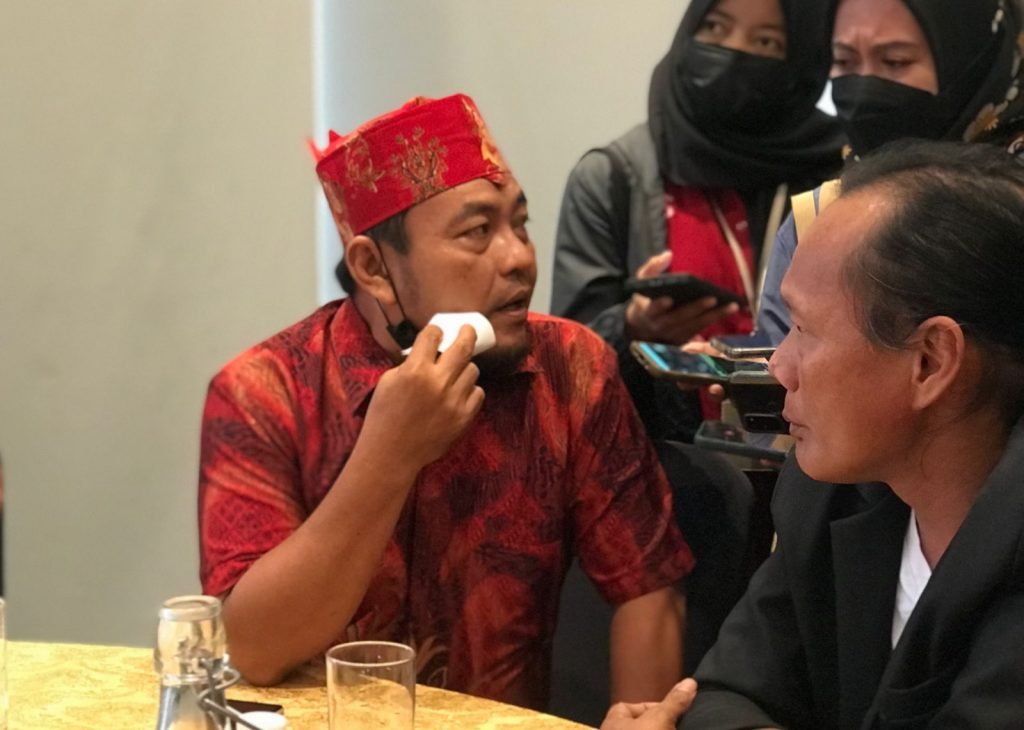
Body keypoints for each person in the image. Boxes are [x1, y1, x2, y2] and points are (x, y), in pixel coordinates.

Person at [197, 94, 695, 710]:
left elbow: (648, 585)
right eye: (478, 232)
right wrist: (389, 454)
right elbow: (254, 649)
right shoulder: (263, 393)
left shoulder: (571, 368)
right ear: (373, 269)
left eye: (520, 224)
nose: (520, 258)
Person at [600, 140, 1024, 729]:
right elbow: (723, 694)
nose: (778, 366)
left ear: (931, 360)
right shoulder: (830, 488)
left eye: (803, 329)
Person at [551, 0, 844, 442]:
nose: (732, 51)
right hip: (665, 467)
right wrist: (632, 328)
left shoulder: (839, 175)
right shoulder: (613, 177)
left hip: (813, 458)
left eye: (766, 41)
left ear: (802, 58)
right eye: (715, 28)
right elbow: (563, 364)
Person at [757, 0, 1024, 344]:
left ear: (974, 60)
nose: (864, 87)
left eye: (895, 61)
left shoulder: (1014, 208)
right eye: (844, 61)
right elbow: (780, 367)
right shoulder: (818, 220)